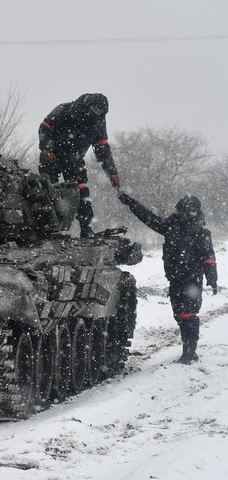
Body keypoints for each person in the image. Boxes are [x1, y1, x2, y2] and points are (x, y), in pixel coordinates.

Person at [117, 191, 218, 364]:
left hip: (192, 280)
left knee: (188, 314)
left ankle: (189, 353)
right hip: (175, 279)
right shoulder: (171, 226)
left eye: (177, 209)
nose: (174, 211)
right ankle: (188, 350)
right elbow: (149, 218)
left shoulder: (201, 232)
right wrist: (132, 203)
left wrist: (212, 278)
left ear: (187, 211)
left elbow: (208, 257)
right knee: (180, 314)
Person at [39, 93, 120, 238]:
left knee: (82, 192)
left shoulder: (99, 123)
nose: (97, 113)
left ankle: (86, 227)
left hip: (74, 159)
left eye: (100, 111)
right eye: (95, 109)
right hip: (52, 156)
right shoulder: (64, 110)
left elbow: (102, 148)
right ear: (88, 106)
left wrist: (111, 172)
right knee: (48, 191)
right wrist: (48, 148)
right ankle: (47, 229)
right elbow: (45, 127)